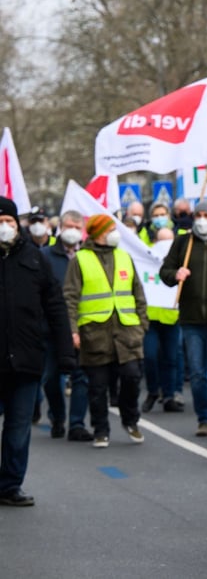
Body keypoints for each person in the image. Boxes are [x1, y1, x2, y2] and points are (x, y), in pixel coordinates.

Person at [0, 197, 75, 506]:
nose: (5, 227)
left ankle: (9, 486)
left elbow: (56, 308)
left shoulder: (35, 259)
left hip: (27, 360)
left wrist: (66, 352)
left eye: (9, 222)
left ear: (19, 225)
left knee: (18, 430)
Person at [63, 213, 149, 449]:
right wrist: (73, 331)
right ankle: (101, 429)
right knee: (98, 387)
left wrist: (142, 325)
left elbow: (138, 294)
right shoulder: (80, 260)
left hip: (127, 334)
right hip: (94, 335)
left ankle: (130, 419)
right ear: (98, 233)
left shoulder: (124, 257)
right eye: (110, 228)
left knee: (132, 377)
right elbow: (70, 298)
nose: (115, 232)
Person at [160, 199, 207, 436]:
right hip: (192, 319)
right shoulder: (184, 242)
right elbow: (165, 272)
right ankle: (203, 417)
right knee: (196, 371)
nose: (202, 219)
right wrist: (176, 274)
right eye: (199, 215)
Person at [39, 210, 92, 441]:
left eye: (76, 227)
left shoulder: (89, 256)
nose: (71, 230)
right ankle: (58, 416)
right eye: (67, 226)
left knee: (82, 377)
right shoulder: (45, 255)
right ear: (60, 227)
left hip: (84, 327)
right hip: (51, 329)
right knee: (51, 377)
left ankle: (77, 424)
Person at [143, 227, 182, 414]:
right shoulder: (147, 256)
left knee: (171, 358)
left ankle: (168, 395)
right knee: (149, 356)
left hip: (172, 316)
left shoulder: (180, 258)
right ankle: (152, 391)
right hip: (150, 316)